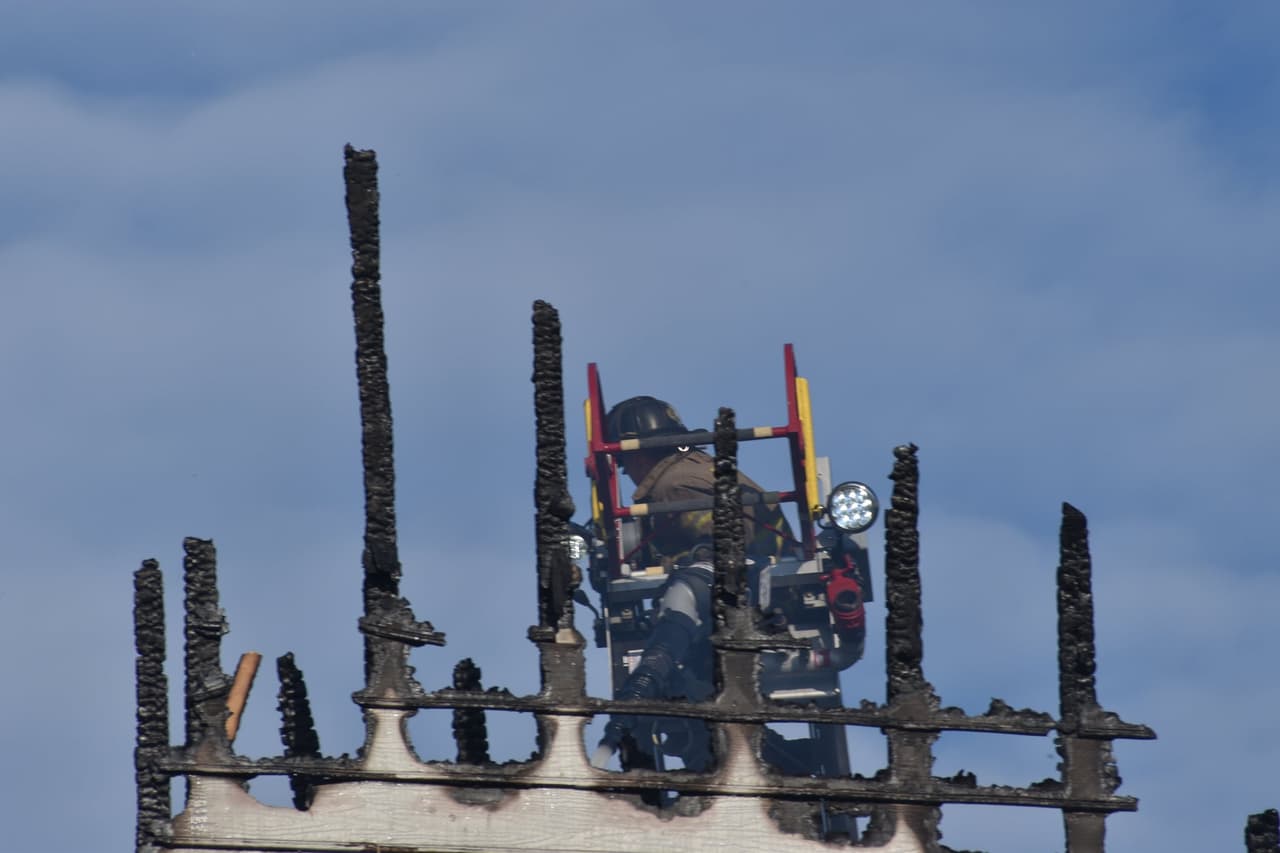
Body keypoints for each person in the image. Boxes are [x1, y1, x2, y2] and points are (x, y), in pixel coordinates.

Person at [594, 396, 864, 774]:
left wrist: (676, 566)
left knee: (685, 700)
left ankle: (776, 762)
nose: (626, 474)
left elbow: (721, 545)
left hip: (734, 607)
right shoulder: (699, 468)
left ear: (637, 454)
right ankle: (785, 762)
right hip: (766, 596)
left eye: (623, 464)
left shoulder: (674, 487)